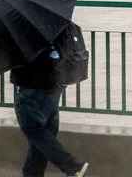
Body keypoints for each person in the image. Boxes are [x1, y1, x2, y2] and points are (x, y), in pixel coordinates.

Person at [10, 46, 89, 177]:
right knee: (42, 137)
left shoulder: (26, 30)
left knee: (32, 129)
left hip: (33, 86)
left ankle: (72, 166)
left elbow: (17, 56)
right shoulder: (57, 28)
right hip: (54, 85)